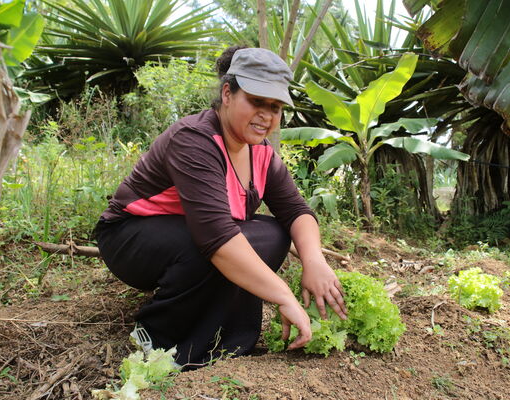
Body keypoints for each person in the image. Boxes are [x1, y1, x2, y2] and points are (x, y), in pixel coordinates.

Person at [94, 46, 347, 368]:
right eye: (256, 101)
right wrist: (284, 295)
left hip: (188, 235)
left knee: (270, 234)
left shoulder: (261, 152)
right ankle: (155, 334)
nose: (266, 116)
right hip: (130, 238)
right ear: (227, 93)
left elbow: (296, 210)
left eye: (276, 107)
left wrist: (314, 261)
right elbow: (216, 236)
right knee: (213, 245)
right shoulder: (194, 140)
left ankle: (230, 340)